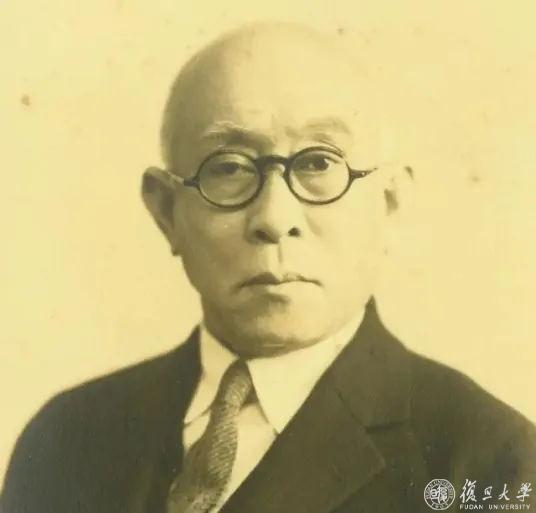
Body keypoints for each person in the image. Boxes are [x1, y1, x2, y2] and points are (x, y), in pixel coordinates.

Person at [1, 22, 535, 513]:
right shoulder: (65, 441)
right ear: (167, 212)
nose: (275, 219)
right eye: (229, 168)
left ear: (389, 202)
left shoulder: (491, 463)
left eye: (319, 163)